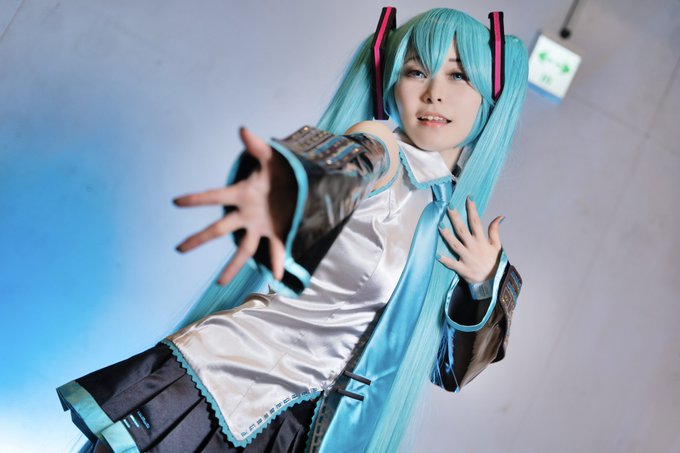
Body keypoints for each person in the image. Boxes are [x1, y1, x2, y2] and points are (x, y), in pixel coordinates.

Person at [57, 7, 527, 453]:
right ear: (391, 84)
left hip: (312, 425)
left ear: (489, 97)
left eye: (458, 75)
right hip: (231, 386)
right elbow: (337, 168)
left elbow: (447, 371)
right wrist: (279, 189)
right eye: (416, 71)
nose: (434, 93)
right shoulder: (381, 148)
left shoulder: (457, 226)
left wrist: (482, 285)